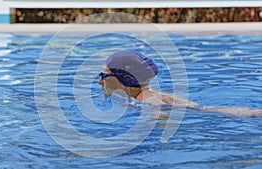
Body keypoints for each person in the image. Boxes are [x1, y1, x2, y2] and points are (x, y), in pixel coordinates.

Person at [98, 50, 262, 117]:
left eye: (104, 75)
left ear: (125, 78)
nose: (100, 81)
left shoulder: (149, 102)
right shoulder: (151, 94)